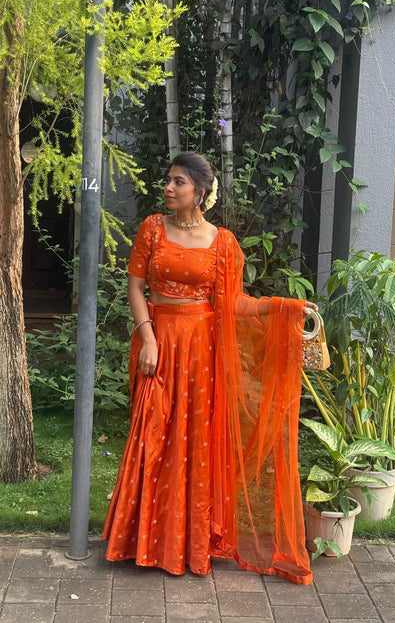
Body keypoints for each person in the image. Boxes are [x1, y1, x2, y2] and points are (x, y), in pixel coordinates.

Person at [102, 151, 317, 585]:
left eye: (178, 182)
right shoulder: (152, 229)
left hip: (201, 353)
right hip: (159, 343)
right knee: (152, 434)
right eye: (168, 180)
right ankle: (141, 541)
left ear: (199, 192)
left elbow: (234, 304)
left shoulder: (223, 243)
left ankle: (187, 545)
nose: (168, 188)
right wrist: (148, 338)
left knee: (194, 444)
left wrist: (284, 307)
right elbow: (136, 286)